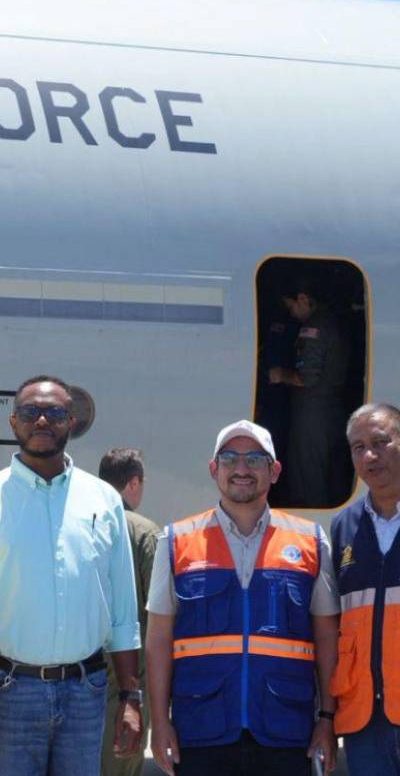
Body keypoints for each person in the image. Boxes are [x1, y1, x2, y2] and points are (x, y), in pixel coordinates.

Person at [0, 375, 142, 776]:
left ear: (71, 422)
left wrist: (131, 697)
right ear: (13, 422)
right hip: (8, 691)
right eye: (31, 412)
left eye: (54, 412)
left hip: (87, 691)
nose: (42, 421)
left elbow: (123, 610)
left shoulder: (104, 501)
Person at [145, 419, 339, 776]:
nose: (242, 469)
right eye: (230, 458)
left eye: (255, 459)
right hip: (201, 726)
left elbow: (327, 637)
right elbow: (158, 638)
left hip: (286, 729)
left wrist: (327, 718)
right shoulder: (175, 541)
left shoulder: (310, 540)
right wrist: (159, 721)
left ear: (275, 470)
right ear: (213, 469)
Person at [330, 403, 400, 774]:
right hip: (365, 720)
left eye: (380, 442)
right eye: (358, 447)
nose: (370, 455)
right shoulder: (343, 526)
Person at [97, 448, 159, 776]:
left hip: (80, 671)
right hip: (129, 675)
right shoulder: (145, 532)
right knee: (121, 762)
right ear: (133, 482)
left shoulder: (83, 523)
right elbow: (162, 607)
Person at [269, 282, 349, 507]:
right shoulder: (333, 323)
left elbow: (307, 377)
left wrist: (279, 375)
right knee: (327, 474)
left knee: (308, 475)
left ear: (303, 298)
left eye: (291, 306)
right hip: (330, 410)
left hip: (312, 413)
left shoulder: (314, 327)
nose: (291, 313)